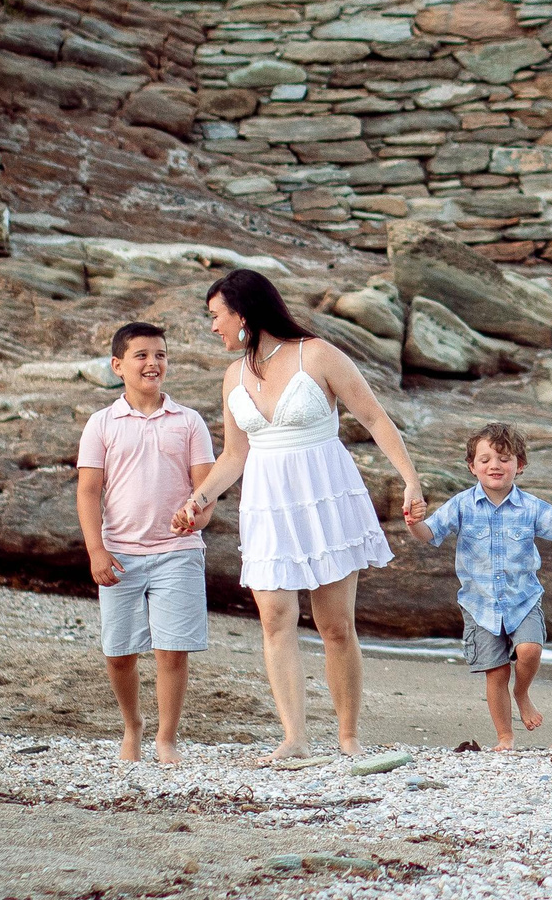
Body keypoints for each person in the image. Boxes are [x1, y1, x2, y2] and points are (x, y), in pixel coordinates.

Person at [171, 269, 424, 762]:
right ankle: (295, 739)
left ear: (243, 313)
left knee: (334, 625)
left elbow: (374, 417)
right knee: (276, 620)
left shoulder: (319, 354)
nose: (212, 326)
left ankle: (348, 736)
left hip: (324, 496)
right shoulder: (233, 376)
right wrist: (197, 500)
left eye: (215, 316)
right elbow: (234, 455)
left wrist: (411, 479)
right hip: (267, 504)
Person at [417, 422, 552, 751]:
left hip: (523, 600)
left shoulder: (530, 507)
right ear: (472, 467)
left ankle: (522, 692)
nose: (495, 465)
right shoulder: (461, 505)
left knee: (529, 650)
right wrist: (413, 524)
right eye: (486, 459)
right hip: (479, 606)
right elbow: (429, 534)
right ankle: (505, 737)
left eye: (504, 459)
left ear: (519, 466)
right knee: (495, 674)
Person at [75, 321, 217, 765]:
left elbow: (206, 490)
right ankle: (132, 725)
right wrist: (96, 550)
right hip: (120, 554)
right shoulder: (102, 423)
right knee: (119, 653)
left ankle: (166, 738)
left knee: (171, 650)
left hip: (177, 553)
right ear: (118, 366)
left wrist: (196, 514)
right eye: (141, 355)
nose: (153, 363)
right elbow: (87, 492)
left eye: (160, 354)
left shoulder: (189, 421)